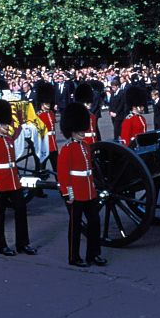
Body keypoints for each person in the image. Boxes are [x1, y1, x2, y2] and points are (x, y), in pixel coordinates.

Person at [0, 99, 35, 256]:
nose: (7, 126)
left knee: (21, 211)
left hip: (13, 181)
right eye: (5, 124)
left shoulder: (9, 140)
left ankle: (22, 243)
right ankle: (2, 244)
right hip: (0, 182)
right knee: (0, 215)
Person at [58, 102, 108, 268]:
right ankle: (74, 256)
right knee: (75, 227)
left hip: (89, 191)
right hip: (76, 193)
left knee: (94, 224)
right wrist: (68, 194)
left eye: (83, 129)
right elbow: (64, 175)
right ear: (71, 130)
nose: (82, 132)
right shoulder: (67, 149)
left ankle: (94, 254)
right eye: (79, 130)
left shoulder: (86, 146)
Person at [35, 81, 58, 172]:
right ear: (42, 104)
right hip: (44, 144)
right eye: (46, 104)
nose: (48, 105)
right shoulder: (38, 115)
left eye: (49, 103)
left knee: (57, 168)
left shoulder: (51, 113)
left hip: (53, 145)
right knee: (41, 168)